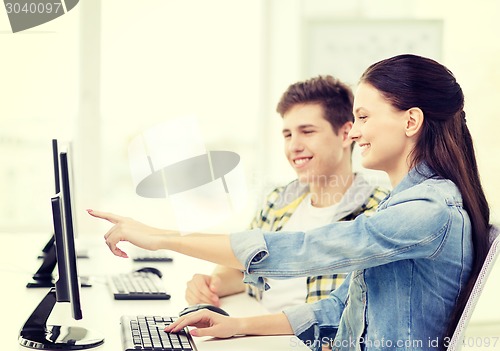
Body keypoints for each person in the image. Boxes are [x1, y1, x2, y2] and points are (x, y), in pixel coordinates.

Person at [89, 54, 491, 351]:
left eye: (365, 118)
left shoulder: (428, 210)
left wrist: (159, 237)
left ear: (410, 121)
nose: (356, 132)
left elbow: (305, 250)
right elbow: (339, 307)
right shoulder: (408, 203)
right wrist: (238, 327)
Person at [184, 75, 388, 313]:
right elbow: (241, 265)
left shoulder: (378, 210)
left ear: (345, 134)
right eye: (288, 135)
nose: (293, 146)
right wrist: (211, 285)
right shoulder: (278, 200)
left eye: (307, 132)